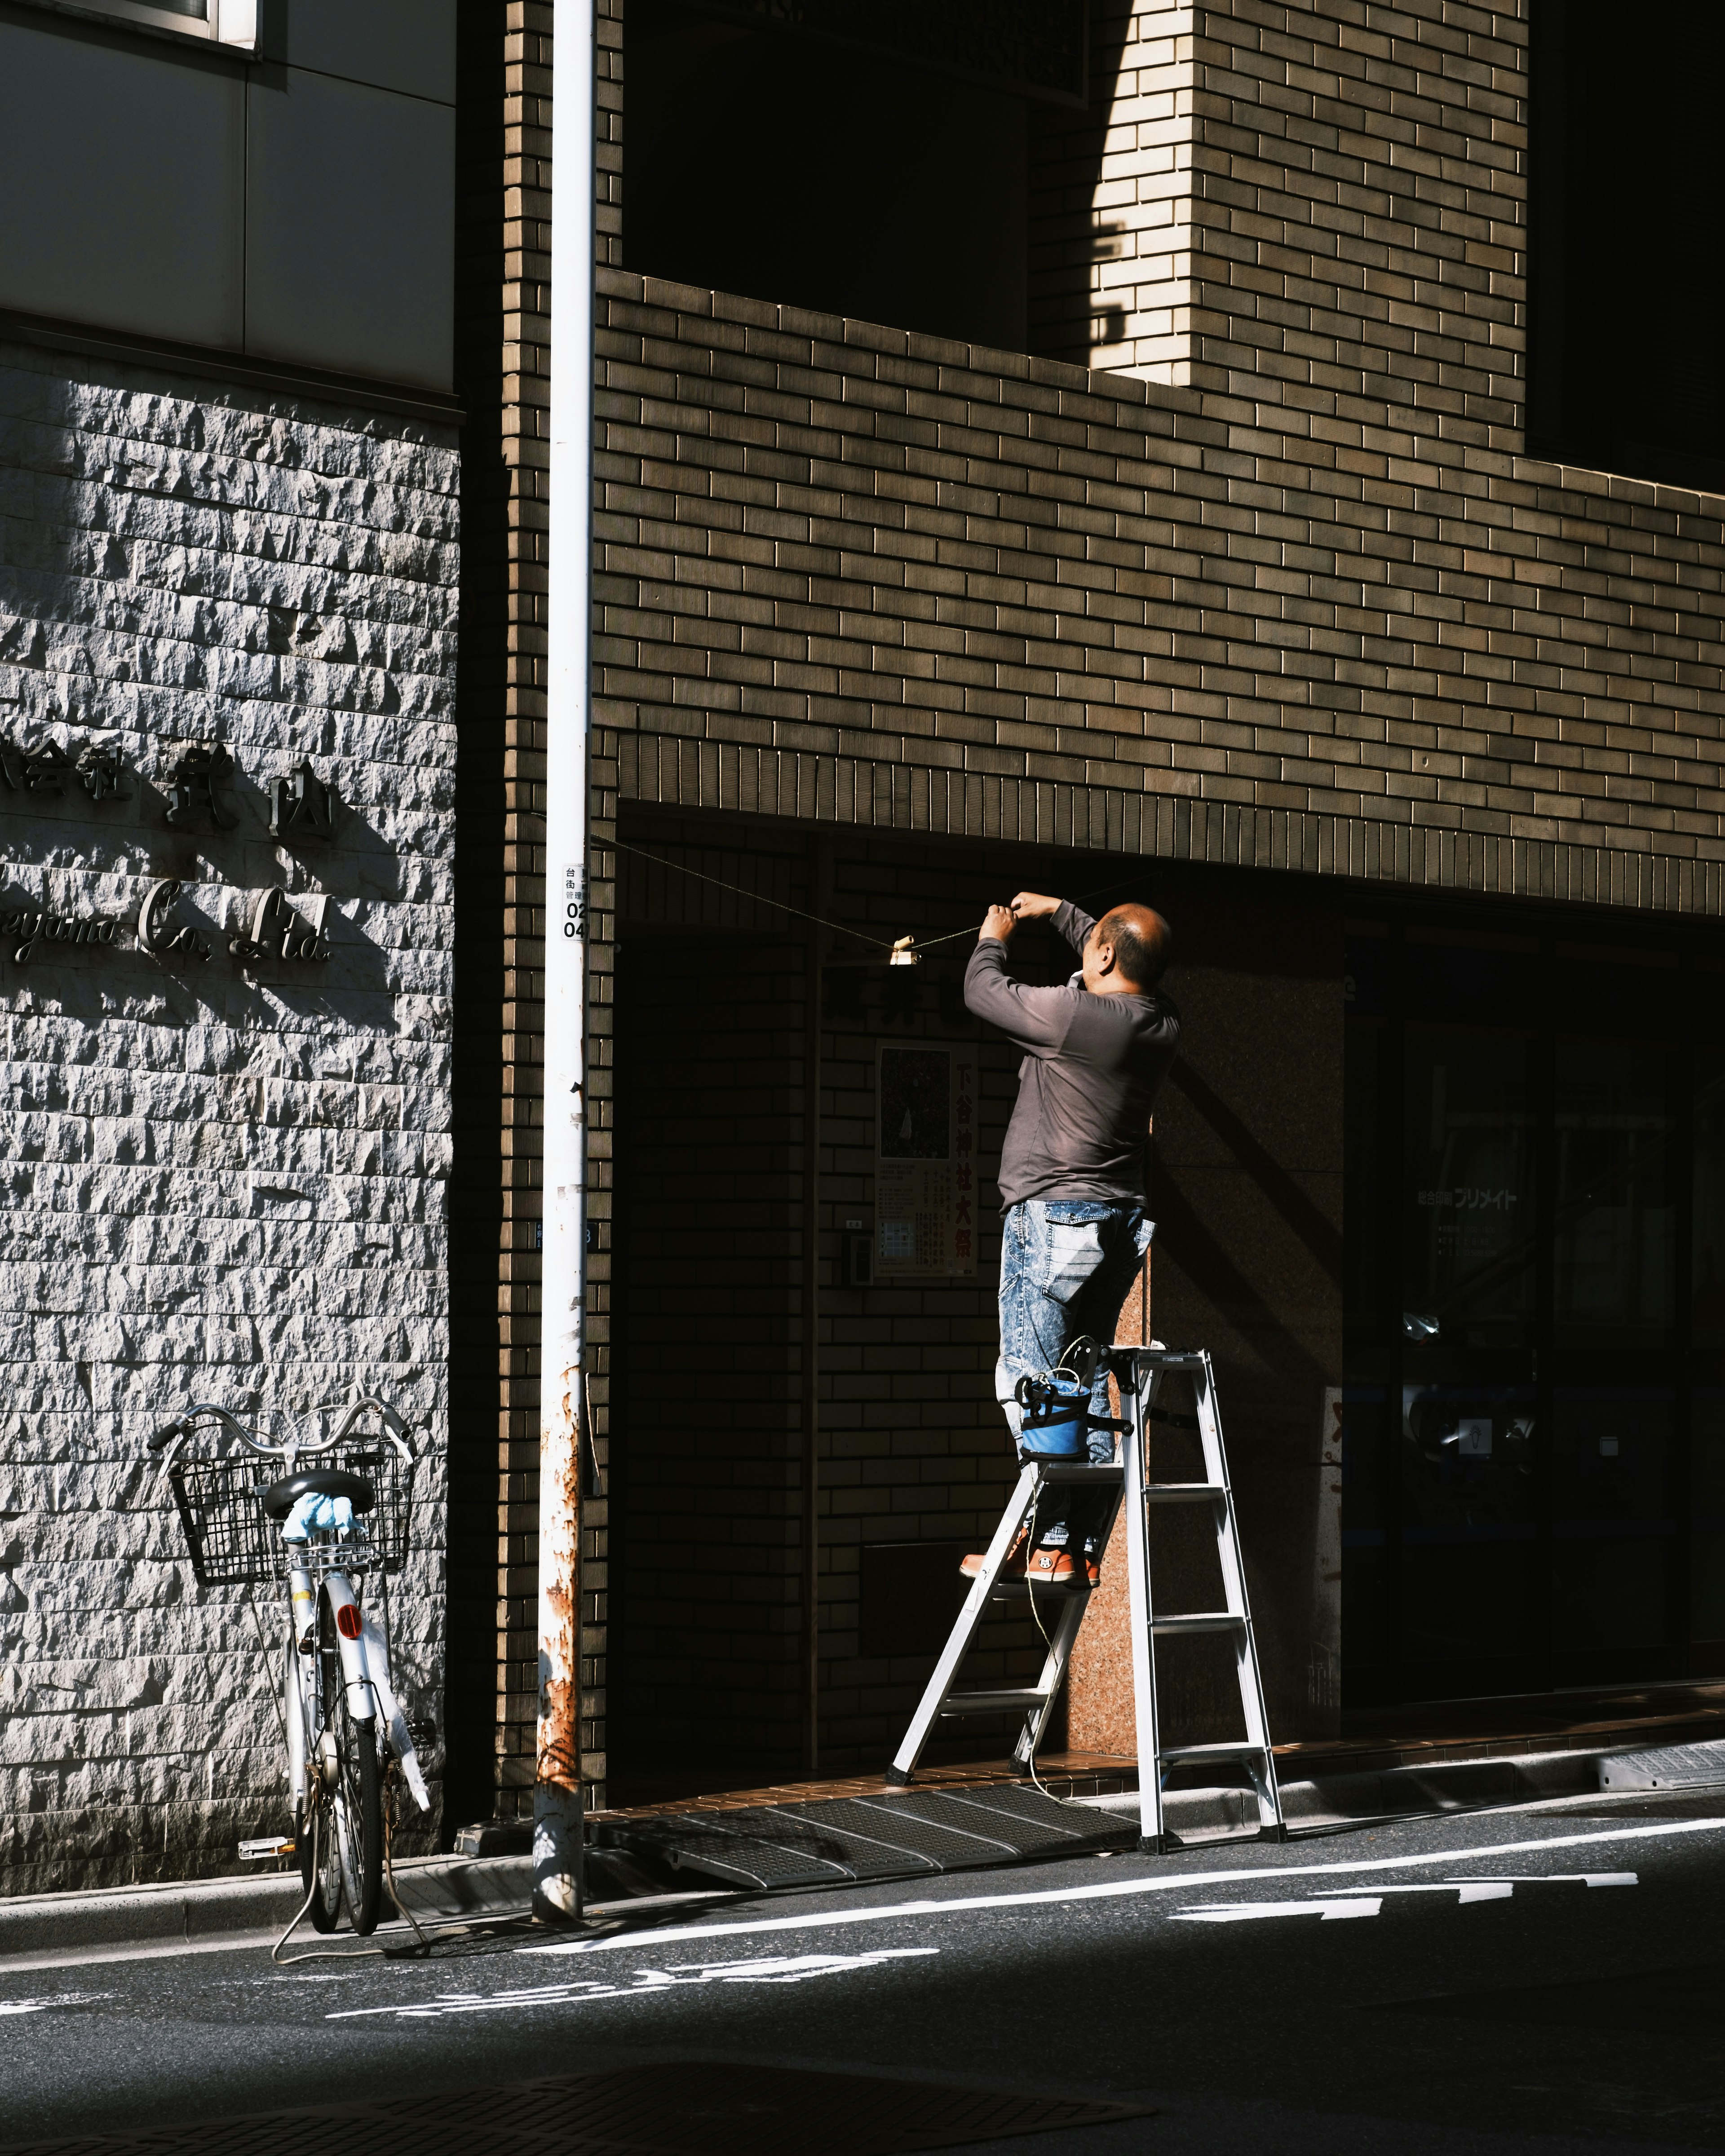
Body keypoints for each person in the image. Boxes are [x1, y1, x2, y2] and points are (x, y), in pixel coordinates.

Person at [961, 890, 1179, 1584]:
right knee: (1080, 1382)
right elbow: (1114, 950)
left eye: (1095, 947)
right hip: (1119, 1223)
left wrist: (994, 935)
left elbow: (983, 992)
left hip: (1055, 1215)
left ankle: (1050, 1538)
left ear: (1108, 956)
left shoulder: (1076, 1018)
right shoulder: (1161, 1020)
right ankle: (1070, 1546)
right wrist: (1062, 913)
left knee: (1035, 1383)